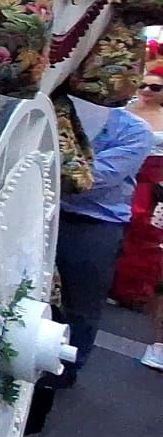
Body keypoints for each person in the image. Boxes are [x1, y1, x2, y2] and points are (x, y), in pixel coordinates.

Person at [50, 105, 151, 388]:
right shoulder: (58, 110)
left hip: (94, 223)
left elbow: (96, 178)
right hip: (46, 209)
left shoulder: (134, 131)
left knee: (79, 300)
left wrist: (39, 167)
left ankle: (65, 369)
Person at [112, 66, 163, 370]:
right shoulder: (123, 111)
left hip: (153, 189)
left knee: (145, 240)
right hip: (119, 181)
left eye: (154, 88)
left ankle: (134, 293)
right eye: (143, 85)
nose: (146, 91)